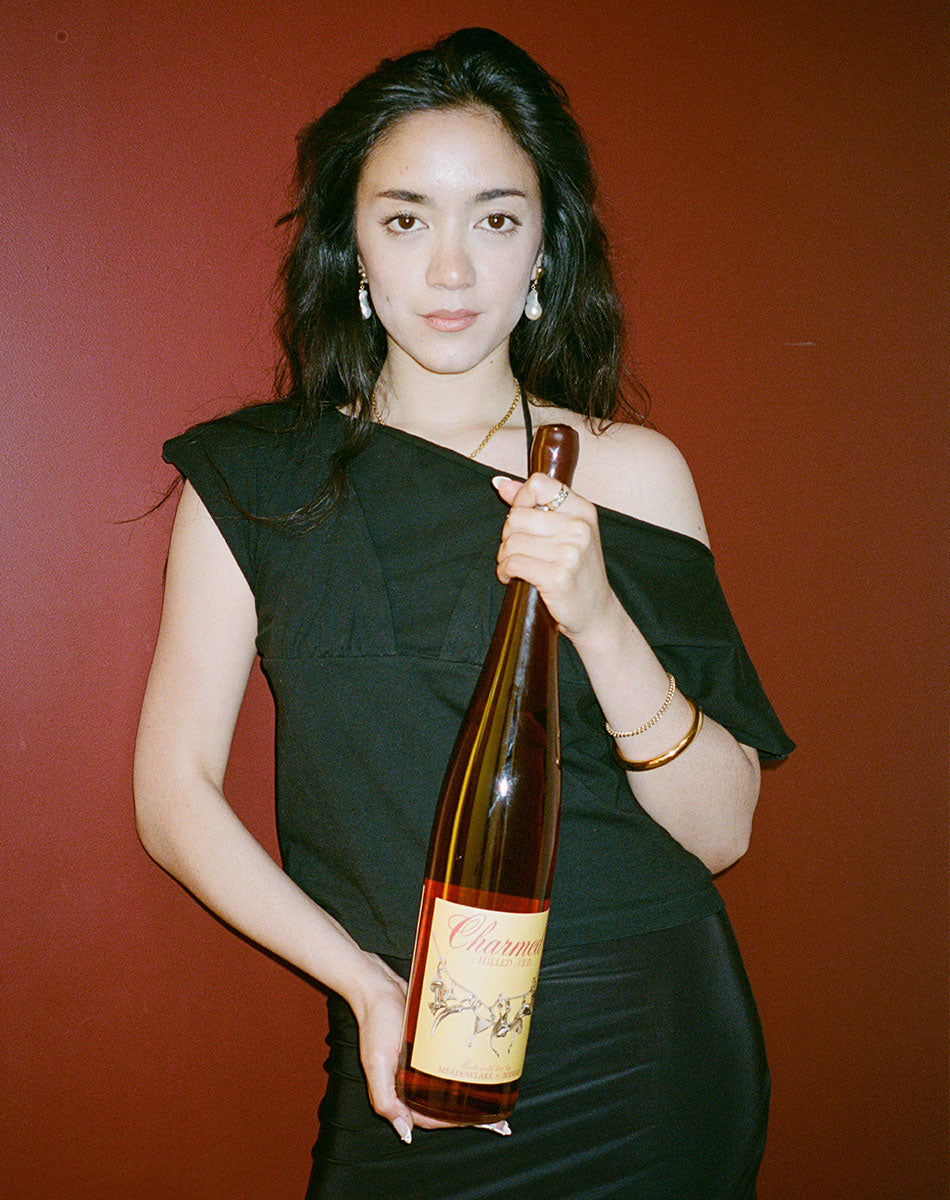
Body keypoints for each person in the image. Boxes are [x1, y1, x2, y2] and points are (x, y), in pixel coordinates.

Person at [134, 27, 794, 1200]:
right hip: (406, 1035)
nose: (450, 271)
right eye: (405, 220)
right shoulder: (258, 481)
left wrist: (596, 613)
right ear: (352, 250)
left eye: (493, 219)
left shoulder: (629, 471)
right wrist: (363, 986)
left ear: (543, 249)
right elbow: (172, 795)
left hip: (641, 1043)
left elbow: (721, 828)